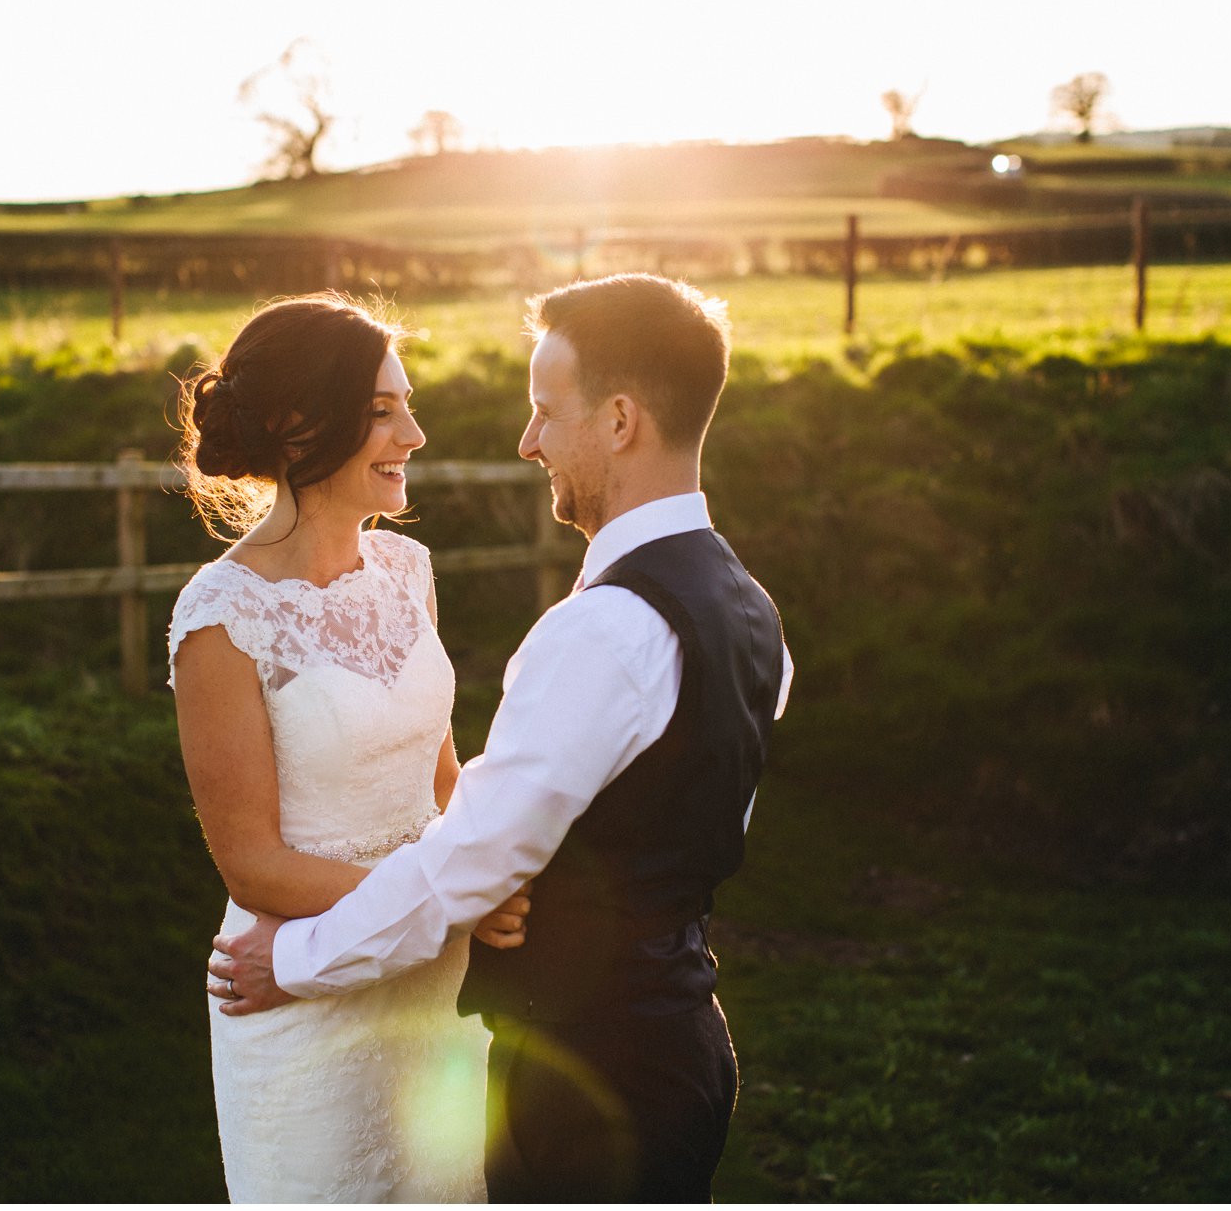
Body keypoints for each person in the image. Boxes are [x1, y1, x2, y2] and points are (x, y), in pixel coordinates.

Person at [207, 273, 793, 1202]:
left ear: (619, 420)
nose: (527, 443)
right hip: (684, 1044)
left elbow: (471, 858)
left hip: (587, 1072)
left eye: (544, 413)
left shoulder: (600, 630)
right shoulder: (750, 610)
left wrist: (292, 960)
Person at [166, 294, 529, 1203]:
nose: (413, 431)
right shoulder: (221, 614)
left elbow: (439, 779)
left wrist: (488, 878)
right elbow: (254, 865)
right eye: (381, 410)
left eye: (405, 403)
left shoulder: (407, 572)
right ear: (297, 425)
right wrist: (451, 900)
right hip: (305, 993)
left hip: (437, 987)